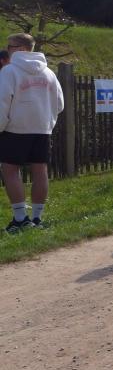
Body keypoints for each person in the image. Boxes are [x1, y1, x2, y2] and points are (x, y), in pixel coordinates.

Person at [0, 33, 64, 232]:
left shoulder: (9, 71)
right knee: (40, 170)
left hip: (15, 128)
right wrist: (47, 120)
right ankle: (36, 218)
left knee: (10, 170)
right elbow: (60, 104)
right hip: (42, 128)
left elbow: (2, 102)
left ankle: (20, 219)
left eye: (9, 46)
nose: (7, 50)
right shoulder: (49, 73)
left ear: (20, 49)